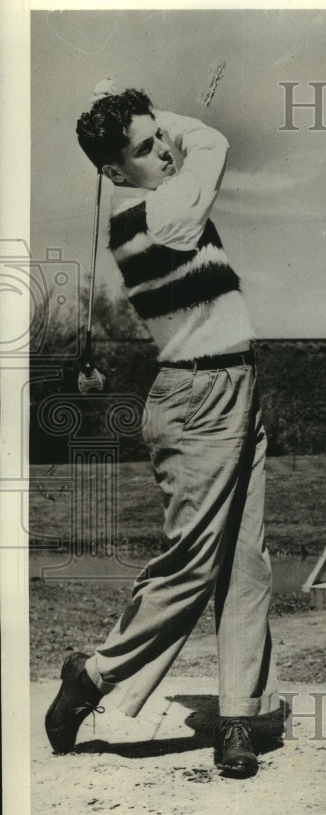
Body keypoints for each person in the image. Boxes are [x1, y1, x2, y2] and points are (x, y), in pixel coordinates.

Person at [44, 82, 272, 778]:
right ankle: (92, 675)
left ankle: (238, 717)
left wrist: (141, 117)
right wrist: (169, 119)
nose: (166, 152)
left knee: (247, 566)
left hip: (239, 387)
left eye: (161, 139)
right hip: (196, 400)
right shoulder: (149, 213)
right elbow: (214, 143)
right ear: (115, 173)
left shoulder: (160, 197)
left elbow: (185, 147)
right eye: (146, 149)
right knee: (191, 567)